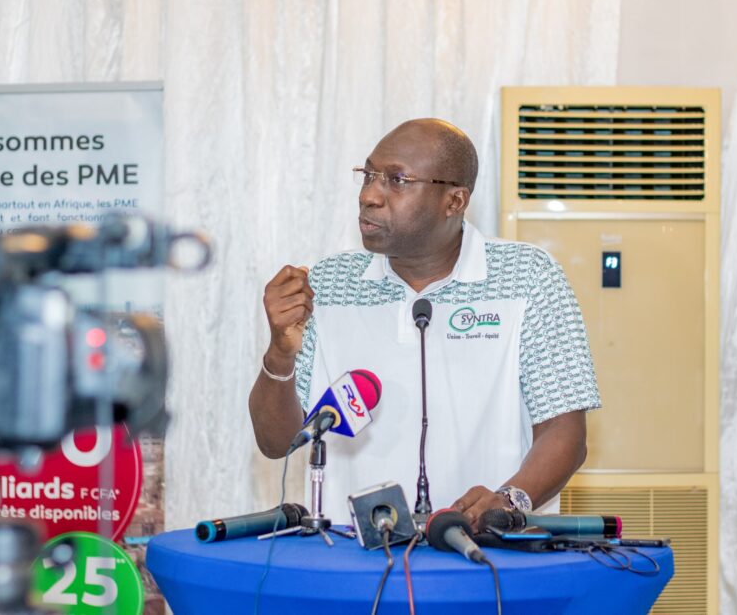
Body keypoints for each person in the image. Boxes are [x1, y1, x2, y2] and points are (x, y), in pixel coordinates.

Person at [248, 118, 600, 529]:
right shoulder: (328, 284)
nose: (368, 196)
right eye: (368, 175)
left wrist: (509, 501)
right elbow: (277, 443)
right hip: (352, 550)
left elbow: (564, 434)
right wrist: (280, 353)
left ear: (454, 201)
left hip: (484, 549)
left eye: (396, 180)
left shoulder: (528, 276)